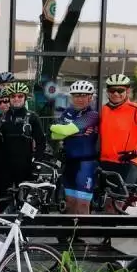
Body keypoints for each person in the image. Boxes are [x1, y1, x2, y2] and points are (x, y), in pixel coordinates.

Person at [50, 80, 99, 215]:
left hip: (86, 164)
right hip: (69, 162)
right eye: (76, 95)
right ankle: (71, 229)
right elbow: (55, 135)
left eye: (83, 95)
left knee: (82, 204)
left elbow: (64, 131)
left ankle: (83, 228)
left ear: (90, 97)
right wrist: (78, 132)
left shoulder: (92, 115)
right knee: (70, 202)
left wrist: (65, 131)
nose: (79, 99)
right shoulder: (68, 112)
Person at [0, 81, 46, 195]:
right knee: (4, 198)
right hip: (4, 167)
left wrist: (36, 160)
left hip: (25, 166)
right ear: (9, 98)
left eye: (20, 96)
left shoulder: (32, 117)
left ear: (25, 98)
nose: (16, 99)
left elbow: (41, 141)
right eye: (13, 96)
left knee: (25, 199)